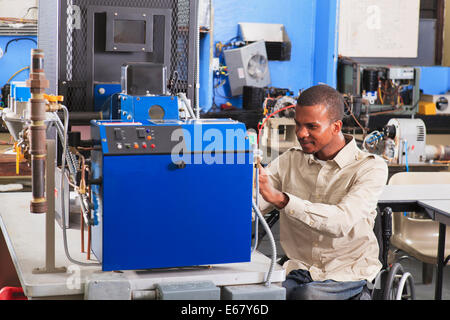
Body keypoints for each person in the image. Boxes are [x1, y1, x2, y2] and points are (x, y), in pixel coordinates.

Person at [257, 84, 388, 300]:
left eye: (311, 126)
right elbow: (253, 204)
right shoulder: (289, 161)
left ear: (336, 127)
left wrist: (283, 200)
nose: (301, 133)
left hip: (347, 273)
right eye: (297, 124)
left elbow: (341, 222)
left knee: (307, 296)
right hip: (299, 270)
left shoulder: (370, 168)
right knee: (261, 296)